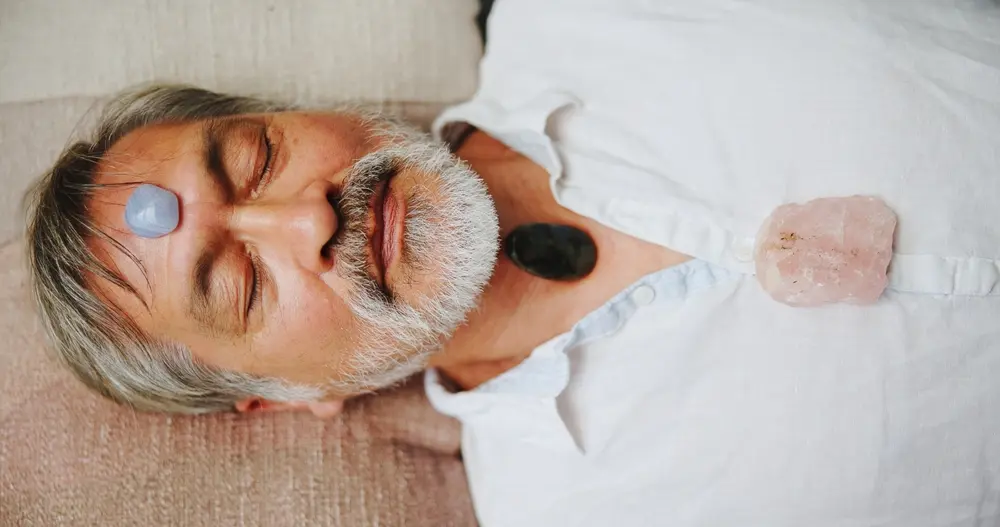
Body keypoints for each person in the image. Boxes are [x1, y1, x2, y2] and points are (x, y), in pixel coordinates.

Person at [23, 0, 1000, 525]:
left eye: (260, 156)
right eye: (239, 282)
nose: (302, 216)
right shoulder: (575, 509)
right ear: (278, 396)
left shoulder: (588, 13)